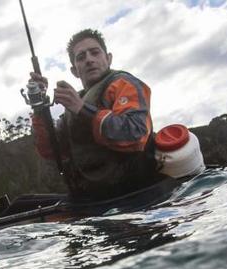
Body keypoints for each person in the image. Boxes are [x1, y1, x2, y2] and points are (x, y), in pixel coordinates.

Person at [29, 28, 163, 202]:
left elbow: (135, 134)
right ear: (74, 71)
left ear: (108, 58)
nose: (89, 60)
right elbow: (52, 152)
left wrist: (82, 109)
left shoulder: (123, 84)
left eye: (95, 53)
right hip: (92, 201)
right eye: (81, 57)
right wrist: (39, 107)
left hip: (138, 196)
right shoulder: (74, 103)